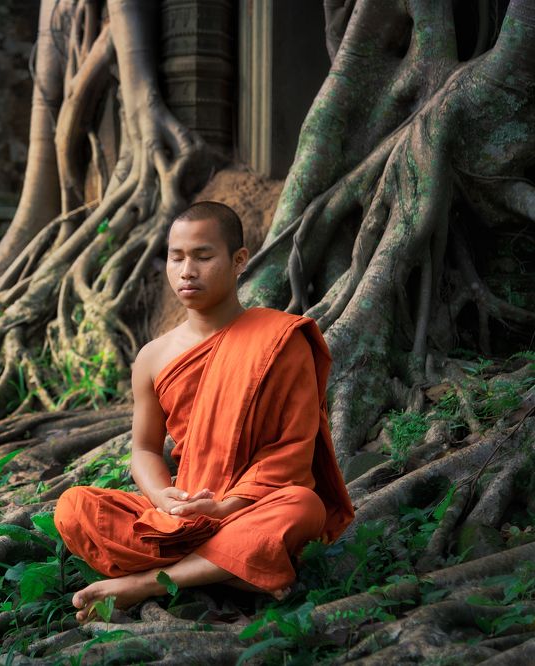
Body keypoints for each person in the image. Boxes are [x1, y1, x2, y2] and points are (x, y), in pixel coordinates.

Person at [53, 201, 354, 623]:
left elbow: (293, 451)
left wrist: (228, 506)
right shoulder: (153, 357)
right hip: (182, 515)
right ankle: (232, 570)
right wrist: (163, 498)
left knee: (303, 506)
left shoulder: (281, 339)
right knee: (74, 507)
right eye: (176, 258)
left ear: (239, 261)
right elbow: (142, 449)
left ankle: (147, 583)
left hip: (249, 506)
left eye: (203, 256)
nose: (186, 271)